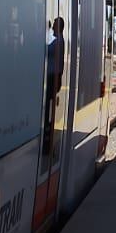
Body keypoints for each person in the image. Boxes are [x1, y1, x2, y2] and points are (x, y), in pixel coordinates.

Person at [43, 17, 66, 155]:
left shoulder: (58, 42)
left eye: (55, 25)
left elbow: (47, 50)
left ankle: (48, 141)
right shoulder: (58, 40)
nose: (53, 28)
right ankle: (48, 137)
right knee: (48, 109)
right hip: (53, 78)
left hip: (52, 78)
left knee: (48, 111)